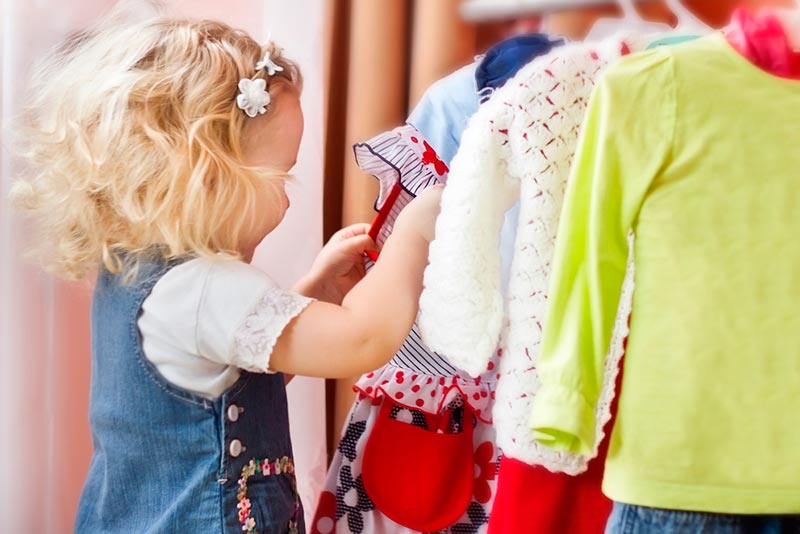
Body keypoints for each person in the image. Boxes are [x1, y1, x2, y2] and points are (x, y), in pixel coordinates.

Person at [10, 7, 441, 534]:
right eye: (279, 175)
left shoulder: (136, 271)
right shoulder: (204, 289)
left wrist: (317, 289)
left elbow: (233, 375)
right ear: (207, 176)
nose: (286, 199)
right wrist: (418, 232)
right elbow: (360, 341)